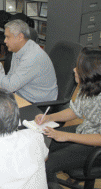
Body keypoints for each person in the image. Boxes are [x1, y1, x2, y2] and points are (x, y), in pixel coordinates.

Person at [34, 47, 101, 189]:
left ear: (90, 72)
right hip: (85, 131)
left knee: (46, 164)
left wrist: (66, 136)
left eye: (79, 67)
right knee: (39, 146)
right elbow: (75, 111)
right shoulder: (88, 86)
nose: (74, 70)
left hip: (96, 146)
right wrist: (48, 117)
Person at [0, 19, 58, 103]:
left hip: (36, 103)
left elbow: (10, 87)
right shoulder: (19, 48)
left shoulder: (32, 57)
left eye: (8, 37)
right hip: (21, 94)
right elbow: (11, 78)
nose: (5, 41)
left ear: (20, 37)